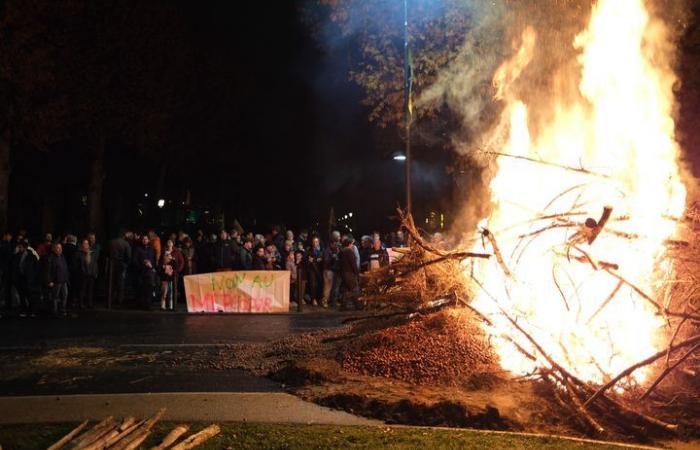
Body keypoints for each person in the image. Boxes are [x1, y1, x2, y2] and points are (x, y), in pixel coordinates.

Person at [11, 240, 39, 317]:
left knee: (30, 295)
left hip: (29, 279)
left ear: (25, 247)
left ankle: (32, 310)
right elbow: (14, 267)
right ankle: (24, 310)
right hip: (20, 279)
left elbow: (36, 268)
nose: (19, 249)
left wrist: (34, 278)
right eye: (19, 247)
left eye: (20, 247)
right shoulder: (16, 256)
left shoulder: (31, 256)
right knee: (22, 296)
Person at [45, 242, 70, 316]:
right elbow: (47, 271)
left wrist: (67, 277)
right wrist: (49, 281)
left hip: (64, 280)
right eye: (58, 248)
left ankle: (63, 309)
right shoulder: (50, 258)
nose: (60, 249)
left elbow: (65, 268)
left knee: (65, 295)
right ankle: (54, 311)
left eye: (61, 248)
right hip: (56, 280)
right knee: (55, 297)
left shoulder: (62, 257)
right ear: (54, 249)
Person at [132, 234, 156, 309]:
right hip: (140, 271)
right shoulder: (137, 249)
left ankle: (148, 305)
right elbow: (134, 260)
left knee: (149, 288)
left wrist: (151, 265)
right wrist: (143, 263)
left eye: (146, 239)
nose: (145, 240)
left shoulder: (152, 249)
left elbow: (154, 260)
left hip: (149, 272)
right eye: (143, 239)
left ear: (148, 240)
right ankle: (140, 305)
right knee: (141, 288)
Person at [108, 230, 132, 305]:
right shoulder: (125, 244)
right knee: (120, 284)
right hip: (121, 264)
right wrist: (126, 264)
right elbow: (128, 256)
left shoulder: (111, 242)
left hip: (111, 264)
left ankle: (110, 301)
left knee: (111, 284)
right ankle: (119, 302)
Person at [76, 238, 99, 308]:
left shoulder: (92, 253)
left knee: (90, 290)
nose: (85, 245)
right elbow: (77, 265)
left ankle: (90, 304)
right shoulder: (79, 253)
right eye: (84, 243)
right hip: (83, 275)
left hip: (91, 274)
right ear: (82, 245)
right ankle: (81, 304)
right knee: (82, 290)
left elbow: (95, 264)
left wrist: (95, 272)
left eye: (87, 244)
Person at [339, 236, 360, 310]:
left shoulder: (341, 252)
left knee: (346, 289)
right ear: (349, 244)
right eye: (351, 244)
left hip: (343, 273)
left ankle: (343, 306)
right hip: (350, 273)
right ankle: (358, 305)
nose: (352, 246)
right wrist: (357, 273)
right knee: (355, 289)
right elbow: (353, 264)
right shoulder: (349, 252)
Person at [321, 239, 341, 308]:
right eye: (335, 244)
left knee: (331, 287)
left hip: (332, 270)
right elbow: (326, 261)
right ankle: (324, 301)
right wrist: (333, 258)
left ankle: (329, 301)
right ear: (331, 244)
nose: (336, 245)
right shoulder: (327, 251)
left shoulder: (333, 251)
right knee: (327, 287)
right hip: (328, 270)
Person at [306, 236, 323, 306]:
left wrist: (317, 259)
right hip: (312, 269)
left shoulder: (322, 250)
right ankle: (313, 299)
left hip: (320, 269)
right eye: (313, 242)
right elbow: (308, 259)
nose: (315, 243)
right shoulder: (309, 250)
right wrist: (310, 260)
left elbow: (322, 259)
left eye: (316, 242)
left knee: (319, 284)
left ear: (318, 242)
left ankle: (319, 299)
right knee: (313, 284)